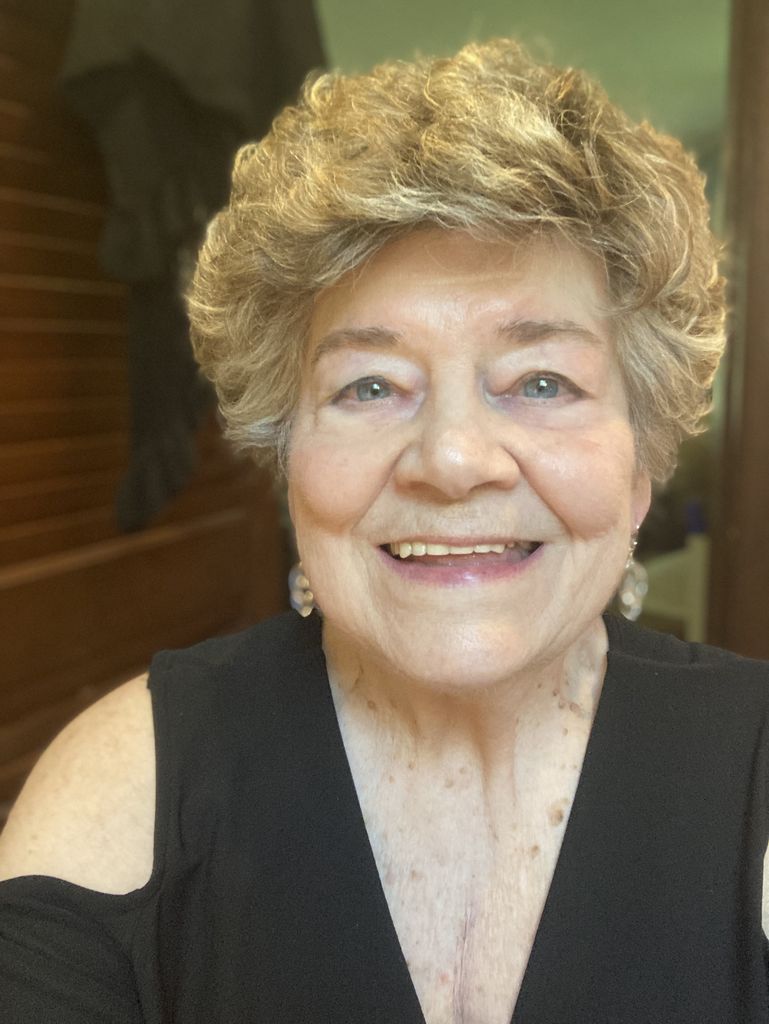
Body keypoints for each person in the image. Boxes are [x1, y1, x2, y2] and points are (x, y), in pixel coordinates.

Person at [0, 37, 765, 1024]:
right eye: (369, 386)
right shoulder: (131, 784)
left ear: (641, 463)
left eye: (541, 382)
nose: (452, 459)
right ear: (287, 457)